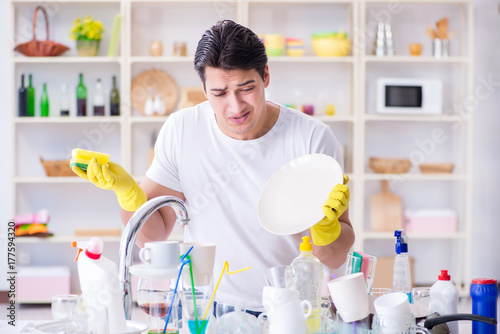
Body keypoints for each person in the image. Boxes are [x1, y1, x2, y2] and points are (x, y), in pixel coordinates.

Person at [72, 19, 354, 312]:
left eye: (246, 88)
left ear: (266, 76)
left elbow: (333, 258)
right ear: (204, 88)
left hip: (288, 310)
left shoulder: (311, 138)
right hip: (202, 307)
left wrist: (327, 232)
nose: (236, 106)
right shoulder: (182, 129)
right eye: (220, 93)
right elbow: (152, 236)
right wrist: (129, 193)